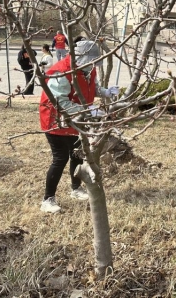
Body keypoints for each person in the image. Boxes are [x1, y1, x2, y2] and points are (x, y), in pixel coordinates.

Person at [39, 40, 120, 213]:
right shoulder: (61, 72)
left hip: (78, 119)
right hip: (56, 120)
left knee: (77, 154)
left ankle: (75, 188)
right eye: (89, 61)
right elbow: (59, 102)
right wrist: (88, 110)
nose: (92, 65)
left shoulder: (88, 69)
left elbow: (93, 88)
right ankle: (48, 199)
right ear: (78, 58)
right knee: (60, 158)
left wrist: (105, 92)